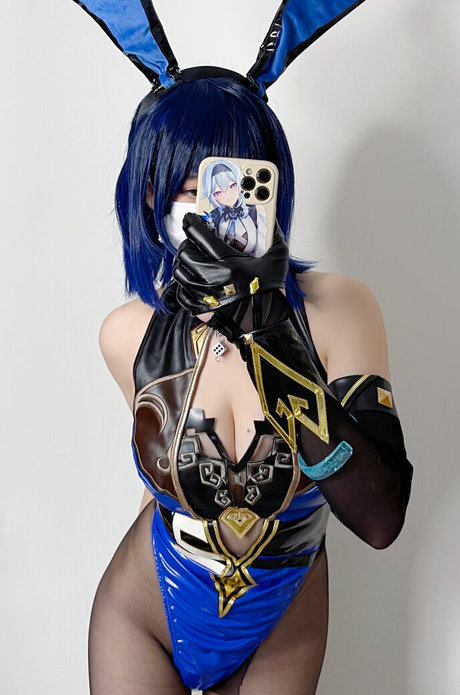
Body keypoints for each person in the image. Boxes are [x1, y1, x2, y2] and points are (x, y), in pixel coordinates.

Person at [72, 2, 413, 693]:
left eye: (232, 183)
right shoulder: (127, 333)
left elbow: (380, 518)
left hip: (284, 617)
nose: (213, 209)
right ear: (150, 194)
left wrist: (267, 333)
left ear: (270, 184)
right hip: (141, 613)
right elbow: (161, 485)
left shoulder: (341, 311)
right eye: (187, 187)